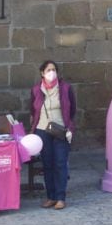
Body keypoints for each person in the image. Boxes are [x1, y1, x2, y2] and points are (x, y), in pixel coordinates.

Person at [30, 60, 76, 210]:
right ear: (42, 73)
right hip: (42, 130)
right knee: (47, 164)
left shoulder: (65, 88)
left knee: (60, 163)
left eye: (54, 69)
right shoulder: (36, 89)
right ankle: (51, 196)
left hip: (60, 130)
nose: (52, 72)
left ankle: (61, 197)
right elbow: (33, 109)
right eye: (48, 70)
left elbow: (72, 109)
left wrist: (69, 126)